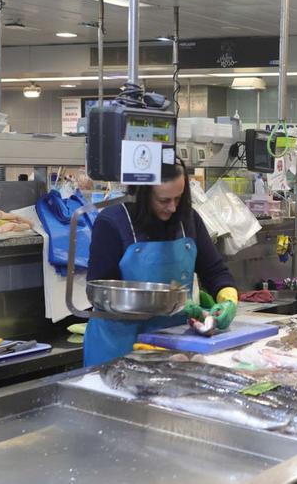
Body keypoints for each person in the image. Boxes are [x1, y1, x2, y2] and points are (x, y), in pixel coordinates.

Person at [84, 157, 238, 366]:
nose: (173, 207)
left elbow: (214, 271)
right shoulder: (112, 223)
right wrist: (171, 304)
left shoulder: (188, 220)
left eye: (179, 198)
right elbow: (102, 291)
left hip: (171, 344)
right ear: (143, 194)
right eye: (164, 200)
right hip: (118, 346)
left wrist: (227, 297)